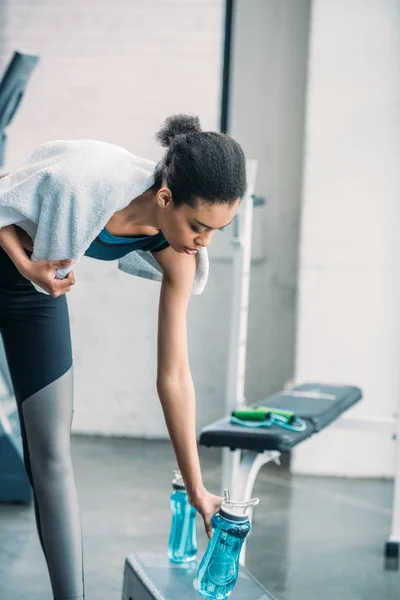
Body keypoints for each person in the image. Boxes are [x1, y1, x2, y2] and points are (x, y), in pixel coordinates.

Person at [0, 114, 247, 600]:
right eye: (199, 226)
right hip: (25, 264)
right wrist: (28, 263)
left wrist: (198, 490)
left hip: (34, 292)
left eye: (218, 231)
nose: (203, 242)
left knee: (52, 455)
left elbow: (174, 376)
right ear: (164, 198)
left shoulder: (180, 253)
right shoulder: (88, 177)